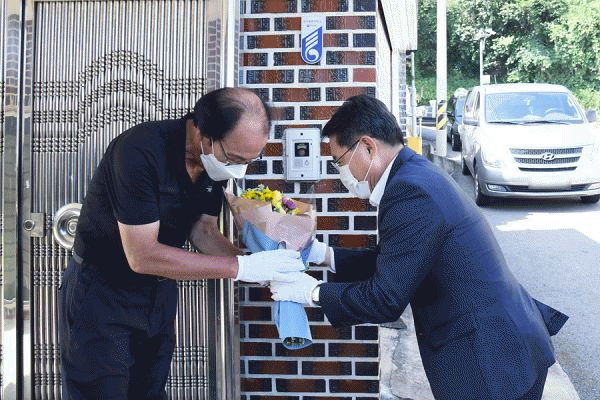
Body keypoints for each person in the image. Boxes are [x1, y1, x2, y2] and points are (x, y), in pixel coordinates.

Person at [271, 95, 569, 400]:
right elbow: (399, 262)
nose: (340, 173)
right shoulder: (413, 172)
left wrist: (311, 292)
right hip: (501, 342)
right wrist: (324, 255)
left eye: (339, 161)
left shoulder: (408, 191)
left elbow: (386, 299)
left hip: (489, 359)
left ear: (368, 147)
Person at [59, 87, 305, 399]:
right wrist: (241, 267)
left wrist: (266, 269)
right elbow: (142, 255)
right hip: (104, 292)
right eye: (234, 158)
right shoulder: (140, 150)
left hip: (159, 294)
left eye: (249, 160)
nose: (238, 169)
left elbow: (203, 231)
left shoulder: (214, 165)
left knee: (149, 392)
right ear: (203, 134)